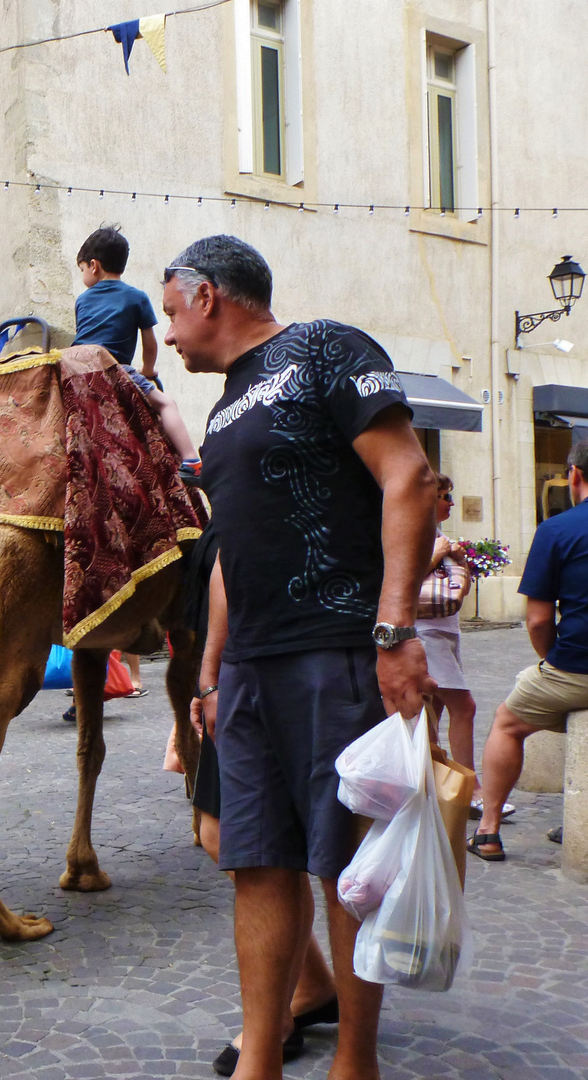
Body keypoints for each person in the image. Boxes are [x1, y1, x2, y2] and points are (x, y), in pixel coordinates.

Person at [165, 234, 437, 1080]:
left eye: (171, 312)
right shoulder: (221, 410)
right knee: (255, 861)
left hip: (336, 651)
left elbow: (410, 477)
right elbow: (229, 553)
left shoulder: (325, 347)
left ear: (208, 295)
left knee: (347, 869)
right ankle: (263, 1062)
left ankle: (355, 1060)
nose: (168, 334)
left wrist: (392, 631)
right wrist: (210, 673)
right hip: (248, 668)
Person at [187, 529, 339, 1076]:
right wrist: (205, 682)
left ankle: (276, 1019)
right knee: (218, 837)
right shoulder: (221, 494)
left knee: (266, 850)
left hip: (275, 662)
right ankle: (313, 985)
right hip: (230, 672)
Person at [471, 443, 588, 860]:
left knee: (506, 723)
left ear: (574, 475)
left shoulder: (556, 530)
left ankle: (488, 831)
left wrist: (552, 658)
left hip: (575, 670)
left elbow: (538, 620)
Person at [74, 225, 202, 483]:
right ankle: (192, 460)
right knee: (166, 403)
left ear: (94, 266)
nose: (83, 276)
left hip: (79, 369)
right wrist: (148, 370)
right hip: (116, 368)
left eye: (82, 270)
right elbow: (150, 342)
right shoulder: (137, 297)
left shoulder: (82, 300)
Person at [415, 472, 502, 817]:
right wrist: (436, 556)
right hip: (426, 633)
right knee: (463, 707)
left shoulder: (437, 536)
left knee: (431, 713)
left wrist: (460, 562)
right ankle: (472, 790)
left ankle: (438, 788)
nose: (451, 503)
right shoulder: (416, 534)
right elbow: (394, 582)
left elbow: (458, 591)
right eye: (444, 496)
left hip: (444, 632)